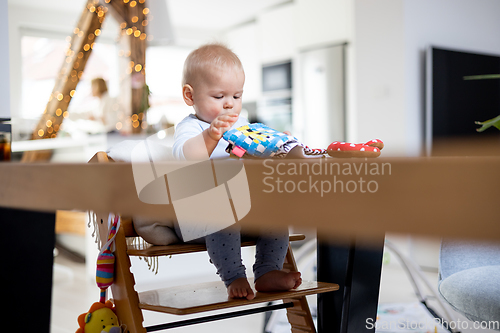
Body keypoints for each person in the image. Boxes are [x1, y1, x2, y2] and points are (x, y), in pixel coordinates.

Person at [172, 43, 302, 300]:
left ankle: (267, 271)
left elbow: (244, 158)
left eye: (237, 96)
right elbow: (188, 157)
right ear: (190, 96)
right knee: (223, 206)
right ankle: (234, 276)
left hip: (242, 213)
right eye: (219, 97)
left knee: (275, 211)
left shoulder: (241, 126)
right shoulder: (192, 128)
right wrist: (211, 135)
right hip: (195, 217)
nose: (230, 105)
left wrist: (277, 146)